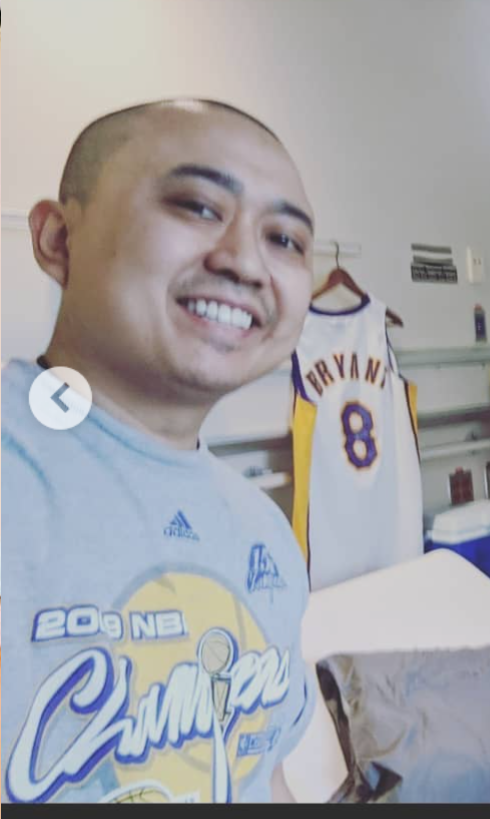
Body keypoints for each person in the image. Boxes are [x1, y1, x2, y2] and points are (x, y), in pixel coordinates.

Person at [0, 99, 318, 803]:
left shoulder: (263, 530)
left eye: (286, 240)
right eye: (198, 206)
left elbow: (262, 774)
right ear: (57, 239)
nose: (244, 262)